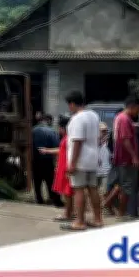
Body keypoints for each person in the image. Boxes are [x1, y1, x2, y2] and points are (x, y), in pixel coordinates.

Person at [60, 91, 103, 231]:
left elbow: (77, 141)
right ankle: (98, 220)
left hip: (80, 160)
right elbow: (98, 138)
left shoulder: (77, 119)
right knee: (93, 189)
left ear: (72, 104)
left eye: (69, 105)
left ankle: (79, 222)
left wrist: (72, 163)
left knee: (79, 190)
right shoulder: (94, 116)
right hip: (93, 158)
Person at [112, 96, 139, 220]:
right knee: (127, 187)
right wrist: (134, 157)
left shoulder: (121, 118)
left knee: (125, 186)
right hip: (126, 159)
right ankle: (122, 214)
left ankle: (123, 212)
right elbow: (125, 139)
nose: (138, 112)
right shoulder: (124, 119)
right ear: (132, 106)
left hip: (124, 159)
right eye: (138, 109)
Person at [32, 114, 62, 206]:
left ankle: (39, 199)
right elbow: (57, 146)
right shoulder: (52, 131)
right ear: (48, 120)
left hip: (35, 159)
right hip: (48, 160)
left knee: (37, 181)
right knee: (51, 181)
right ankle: (55, 199)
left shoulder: (33, 130)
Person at [52, 115, 72, 221]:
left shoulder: (68, 138)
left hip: (65, 167)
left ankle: (67, 214)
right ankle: (69, 212)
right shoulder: (67, 137)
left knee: (67, 192)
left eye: (59, 127)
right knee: (67, 191)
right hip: (63, 166)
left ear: (63, 127)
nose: (59, 130)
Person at [97, 122, 111, 192]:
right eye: (102, 131)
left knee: (104, 192)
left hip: (106, 172)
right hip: (95, 172)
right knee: (94, 193)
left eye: (106, 131)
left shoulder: (109, 142)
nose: (104, 132)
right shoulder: (93, 142)